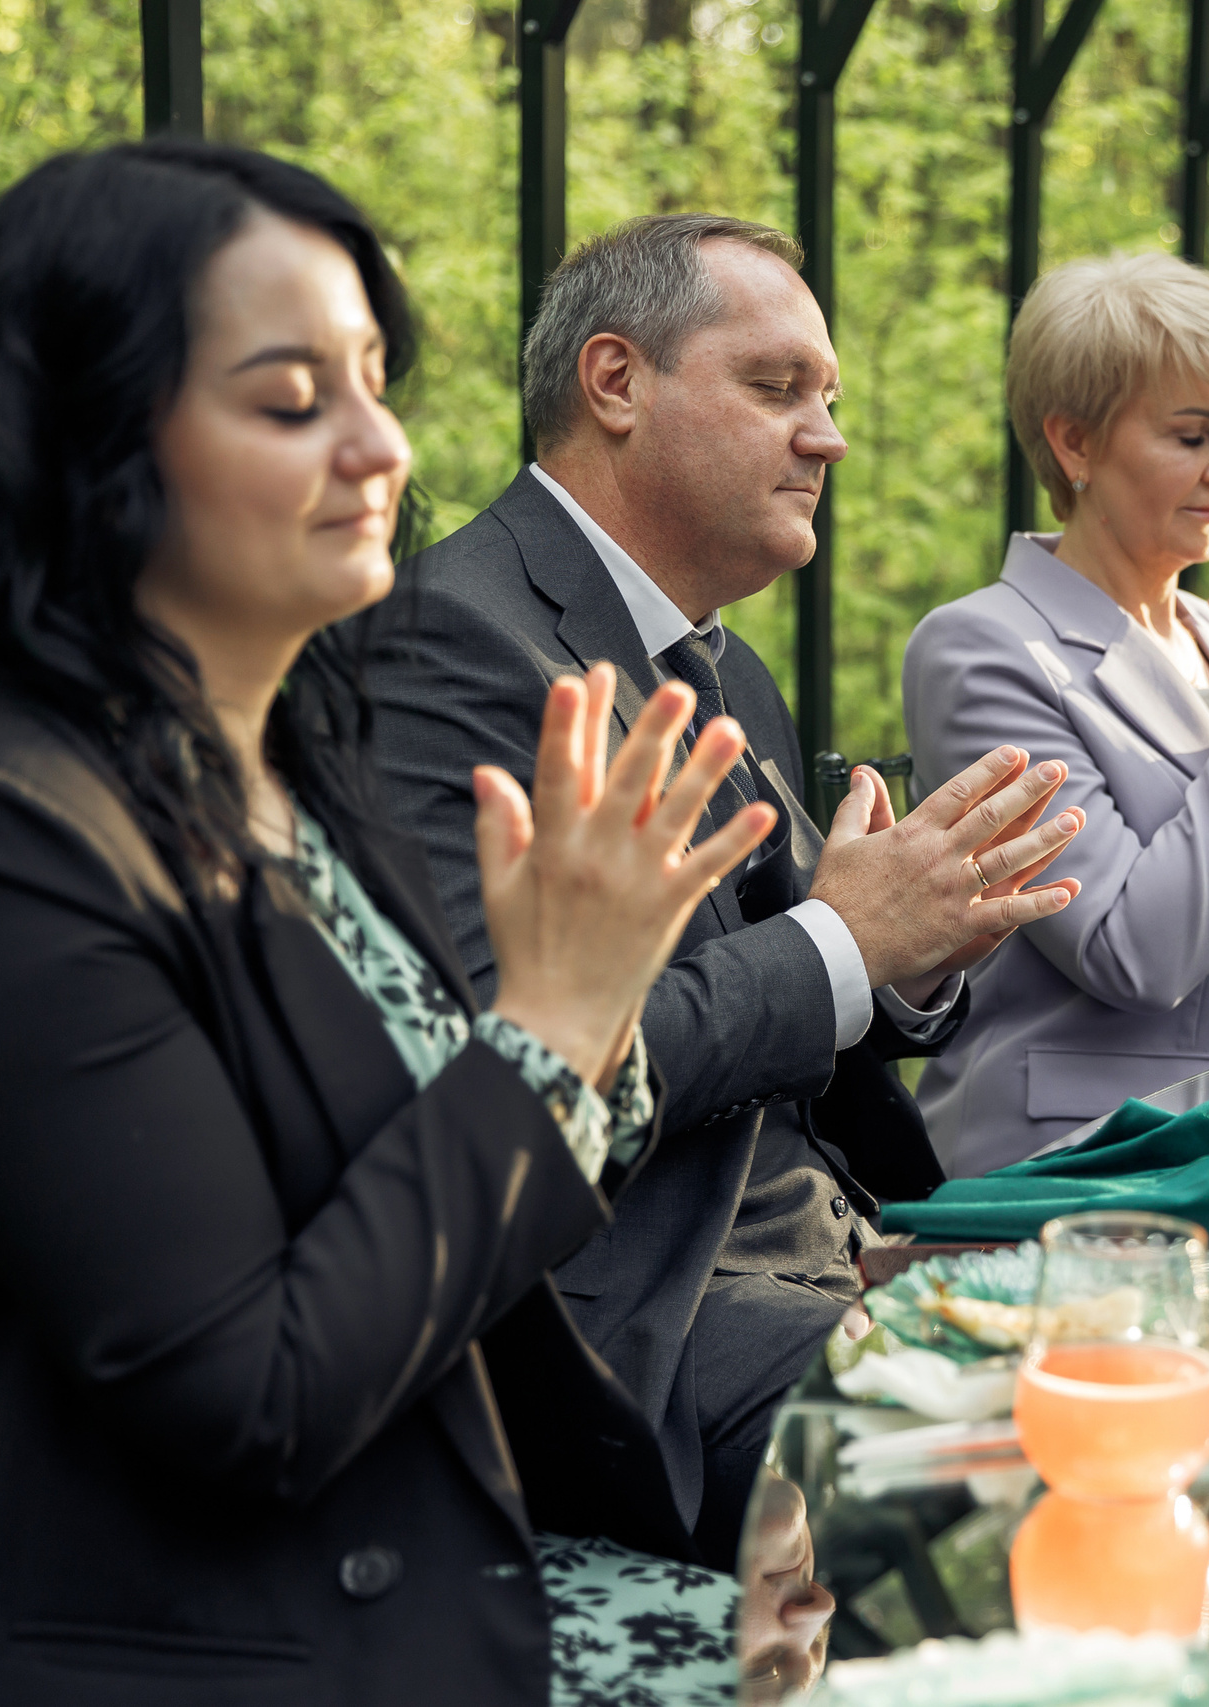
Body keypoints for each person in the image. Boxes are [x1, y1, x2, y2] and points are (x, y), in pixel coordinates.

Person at [0, 140, 767, 1705]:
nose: (381, 445)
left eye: (374, 381)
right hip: (168, 1650)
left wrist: (590, 1005)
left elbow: (476, 1199)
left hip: (425, 1561)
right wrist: (552, 1025)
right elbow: (251, 1396)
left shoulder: (286, 768)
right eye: (291, 400)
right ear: (92, 440)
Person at [369, 214, 1083, 1567]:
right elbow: (523, 1070)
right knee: (1080, 1454)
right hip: (639, 1328)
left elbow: (815, 974)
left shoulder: (723, 664)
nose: (830, 438)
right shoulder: (449, 641)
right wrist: (848, 940)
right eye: (777, 387)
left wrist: (915, 949)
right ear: (616, 382)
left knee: (1187, 1353)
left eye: (832, 398)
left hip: (843, 1252)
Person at [902, 252, 1209, 1176]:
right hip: (1090, 1163)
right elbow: (1135, 951)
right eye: (1192, 435)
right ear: (1076, 444)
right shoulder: (981, 648)